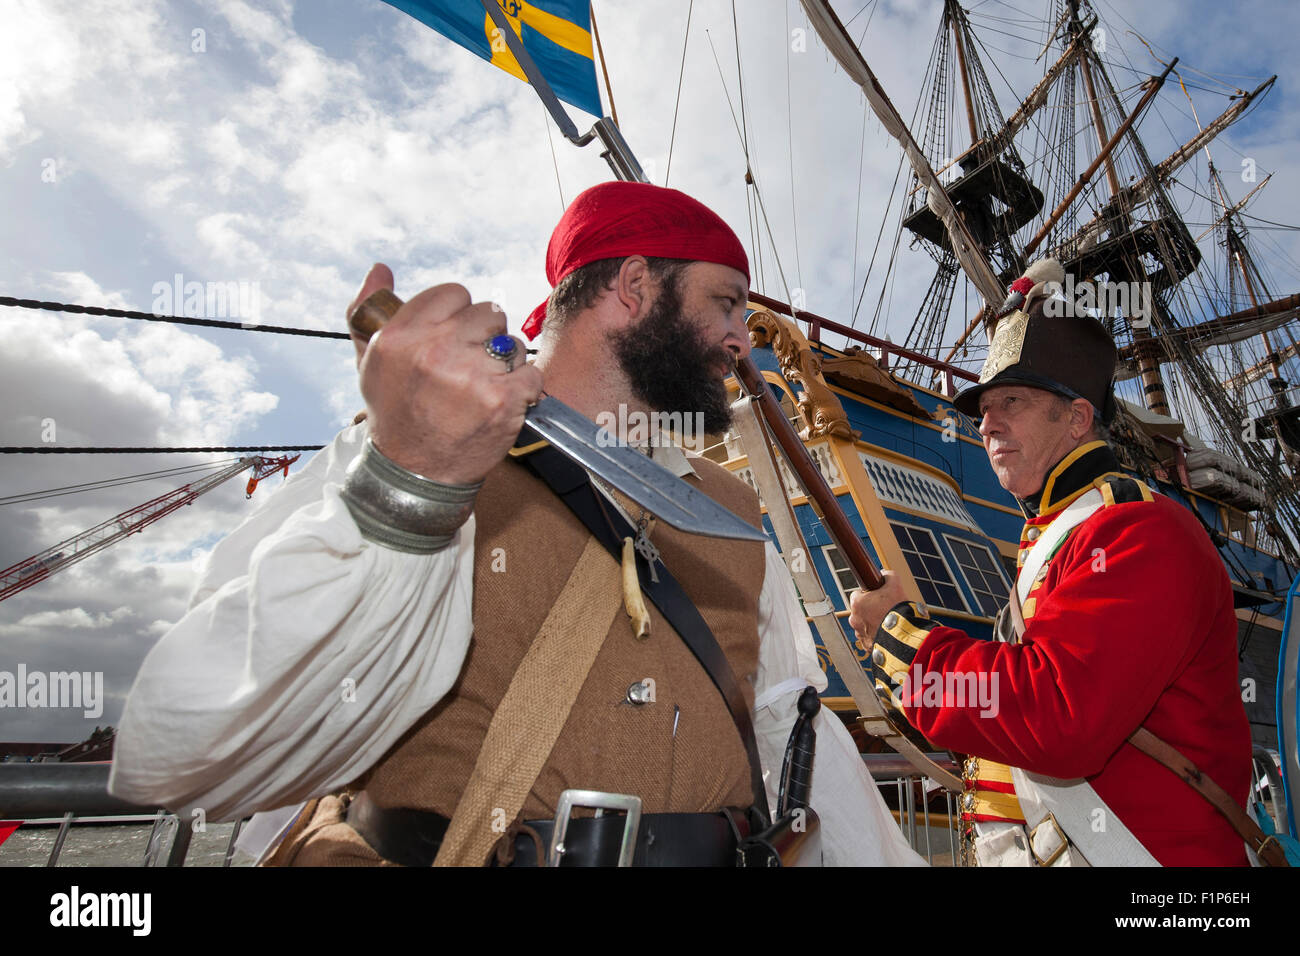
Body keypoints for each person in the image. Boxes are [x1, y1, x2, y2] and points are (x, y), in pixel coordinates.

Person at [109, 180, 921, 867]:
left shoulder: (728, 510)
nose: (743, 339)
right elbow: (178, 755)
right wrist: (414, 479)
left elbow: (790, 730)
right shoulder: (418, 445)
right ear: (635, 286)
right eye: (727, 303)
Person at [847, 262, 1253, 866]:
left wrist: (908, 647)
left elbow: (1061, 717)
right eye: (984, 408)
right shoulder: (1058, 539)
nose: (986, 423)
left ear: (1077, 418)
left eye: (1013, 399)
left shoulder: (1139, 530)